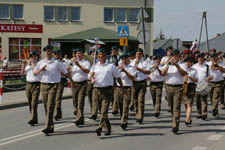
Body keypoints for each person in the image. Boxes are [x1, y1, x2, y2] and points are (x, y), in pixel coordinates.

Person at [33, 45, 71, 135]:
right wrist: (40, 70)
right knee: (46, 106)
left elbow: (66, 72)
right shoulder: (41, 62)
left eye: (49, 51)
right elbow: (34, 73)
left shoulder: (57, 63)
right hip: (43, 85)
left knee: (50, 106)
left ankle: (46, 127)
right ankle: (51, 126)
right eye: (46, 51)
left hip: (53, 86)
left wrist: (72, 80)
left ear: (52, 52)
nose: (47, 52)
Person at [89, 48, 125, 136]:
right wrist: (91, 76)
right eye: (100, 54)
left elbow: (118, 77)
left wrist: (122, 87)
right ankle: (107, 129)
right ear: (97, 56)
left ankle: (100, 127)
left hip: (107, 90)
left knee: (104, 111)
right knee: (101, 111)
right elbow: (90, 79)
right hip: (97, 90)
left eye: (103, 54)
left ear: (106, 56)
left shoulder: (111, 66)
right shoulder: (94, 66)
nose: (101, 56)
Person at [161, 49, 187, 134]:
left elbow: (183, 74)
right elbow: (162, 73)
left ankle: (175, 125)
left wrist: (176, 65)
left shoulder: (182, 64)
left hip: (178, 88)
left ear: (179, 56)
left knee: (176, 107)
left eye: (176, 55)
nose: (175, 57)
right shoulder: (167, 64)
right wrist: (168, 65)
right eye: (173, 55)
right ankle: (174, 121)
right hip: (168, 87)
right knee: (171, 107)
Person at [67, 48, 91, 126]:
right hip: (74, 84)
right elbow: (67, 70)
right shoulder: (72, 62)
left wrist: (79, 65)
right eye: (77, 54)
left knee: (80, 101)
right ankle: (80, 116)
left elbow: (87, 71)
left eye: (80, 53)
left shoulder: (86, 62)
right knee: (75, 101)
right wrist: (71, 63)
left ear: (82, 55)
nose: (78, 55)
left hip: (83, 84)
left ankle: (79, 118)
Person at [130, 48, 150, 124]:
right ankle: (137, 114)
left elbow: (148, 71)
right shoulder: (132, 63)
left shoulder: (145, 63)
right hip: (134, 83)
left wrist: (139, 69)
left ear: (142, 54)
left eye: (139, 54)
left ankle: (140, 117)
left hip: (142, 83)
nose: (138, 55)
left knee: (140, 100)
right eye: (137, 53)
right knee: (134, 100)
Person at [115, 53, 135, 130]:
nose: (123, 60)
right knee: (120, 106)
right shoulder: (117, 68)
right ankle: (122, 118)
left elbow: (132, 78)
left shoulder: (131, 68)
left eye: (125, 59)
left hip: (127, 88)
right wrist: (118, 69)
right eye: (122, 59)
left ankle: (124, 121)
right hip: (118, 88)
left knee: (126, 106)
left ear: (128, 60)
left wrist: (125, 71)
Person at [21, 51, 41, 126]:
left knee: (34, 103)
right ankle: (34, 118)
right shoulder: (28, 65)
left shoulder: (38, 65)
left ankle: (32, 119)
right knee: (30, 102)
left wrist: (31, 64)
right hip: (28, 85)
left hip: (36, 85)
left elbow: (34, 71)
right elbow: (22, 73)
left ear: (37, 57)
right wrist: (23, 65)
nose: (33, 58)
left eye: (35, 56)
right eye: (32, 57)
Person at [192, 53, 212, 120]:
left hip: (204, 85)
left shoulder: (206, 66)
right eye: (199, 58)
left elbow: (211, 75)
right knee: (198, 100)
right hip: (196, 85)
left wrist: (209, 78)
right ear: (197, 59)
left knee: (204, 99)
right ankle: (199, 113)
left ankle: (204, 113)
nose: (200, 59)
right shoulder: (194, 66)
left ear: (203, 58)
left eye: (201, 58)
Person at [182, 56, 198, 127]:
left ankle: (187, 120)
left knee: (189, 104)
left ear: (191, 63)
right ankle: (189, 118)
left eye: (189, 62)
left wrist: (190, 77)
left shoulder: (194, 70)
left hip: (191, 86)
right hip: (184, 86)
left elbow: (196, 80)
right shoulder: (182, 69)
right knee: (186, 104)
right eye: (187, 62)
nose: (188, 63)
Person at [53, 49, 67, 121]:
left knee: (58, 98)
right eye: (56, 54)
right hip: (53, 81)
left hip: (60, 81)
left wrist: (59, 72)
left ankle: (55, 114)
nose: (57, 56)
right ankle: (59, 113)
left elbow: (65, 72)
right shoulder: (52, 62)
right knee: (54, 98)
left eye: (58, 54)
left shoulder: (63, 63)